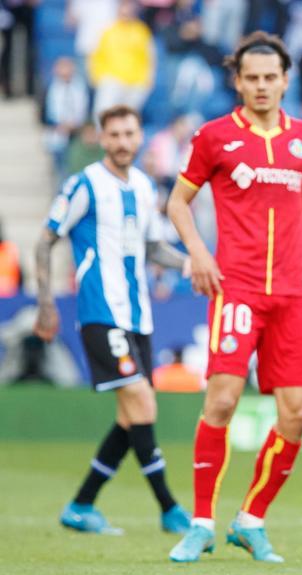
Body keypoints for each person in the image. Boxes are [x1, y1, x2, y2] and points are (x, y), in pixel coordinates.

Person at [165, 32, 302, 564]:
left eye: (271, 77)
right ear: (238, 81)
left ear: (285, 81)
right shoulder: (214, 137)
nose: (262, 86)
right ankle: (201, 522)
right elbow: (178, 203)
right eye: (252, 78)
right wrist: (200, 254)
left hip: (294, 293)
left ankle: (251, 520)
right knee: (222, 399)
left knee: (297, 412)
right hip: (238, 288)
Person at [33, 105, 192, 536]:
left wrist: (196, 265)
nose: (123, 142)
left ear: (140, 137)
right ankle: (170, 508)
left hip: (138, 315)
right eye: (115, 135)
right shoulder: (84, 184)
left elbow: (155, 248)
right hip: (100, 312)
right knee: (142, 401)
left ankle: (82, 504)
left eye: (129, 134)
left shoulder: (143, 186)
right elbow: (45, 241)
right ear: (101, 139)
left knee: (131, 416)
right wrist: (46, 303)